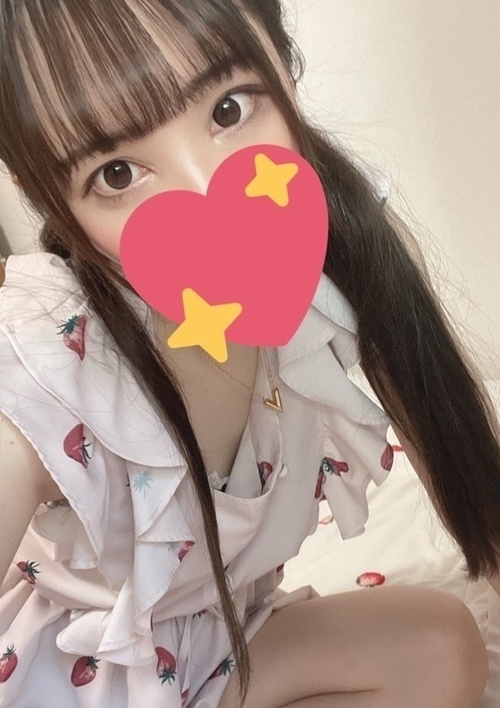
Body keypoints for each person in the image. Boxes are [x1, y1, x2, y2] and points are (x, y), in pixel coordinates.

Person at [0, 1, 498, 706]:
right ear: (51, 199)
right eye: (116, 174)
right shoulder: (50, 356)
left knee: (440, 645)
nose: (208, 197)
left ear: (284, 62)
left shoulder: (343, 249)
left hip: (215, 643)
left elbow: (461, 467)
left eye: (229, 109)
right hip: (73, 676)